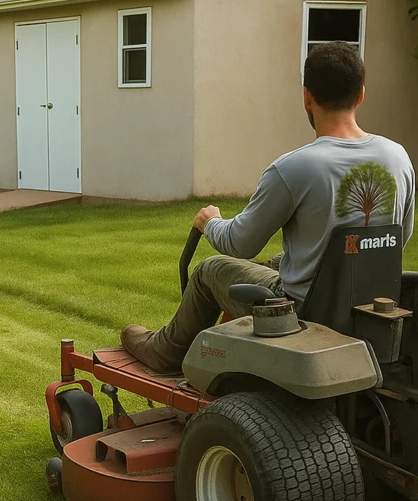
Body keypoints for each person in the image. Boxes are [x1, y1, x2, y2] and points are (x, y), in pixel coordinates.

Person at [122, 41, 416, 374]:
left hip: (300, 312)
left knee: (209, 270)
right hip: (370, 309)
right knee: (277, 262)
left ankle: (164, 352)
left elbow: (241, 244)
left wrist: (211, 221)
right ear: (360, 94)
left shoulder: (294, 168)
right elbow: (397, 239)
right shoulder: (398, 158)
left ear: (307, 96)